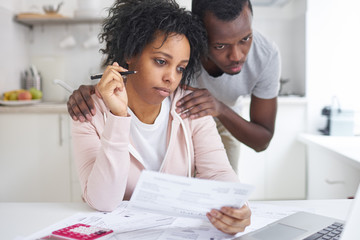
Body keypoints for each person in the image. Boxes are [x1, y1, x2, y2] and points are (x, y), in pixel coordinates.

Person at [72, 0, 251, 235]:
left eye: (180, 68)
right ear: (130, 54)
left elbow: (217, 172)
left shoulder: (189, 106)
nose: (171, 78)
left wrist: (237, 207)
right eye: (161, 61)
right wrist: (118, 116)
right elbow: (103, 202)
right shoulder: (89, 111)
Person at [67, 0, 280, 173]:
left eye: (246, 38)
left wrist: (220, 108)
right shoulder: (180, 42)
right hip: (182, 113)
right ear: (200, 37)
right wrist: (93, 92)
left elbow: (262, 141)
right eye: (220, 45)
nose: (237, 55)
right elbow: (131, 70)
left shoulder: (266, 55)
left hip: (226, 117)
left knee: (219, 182)